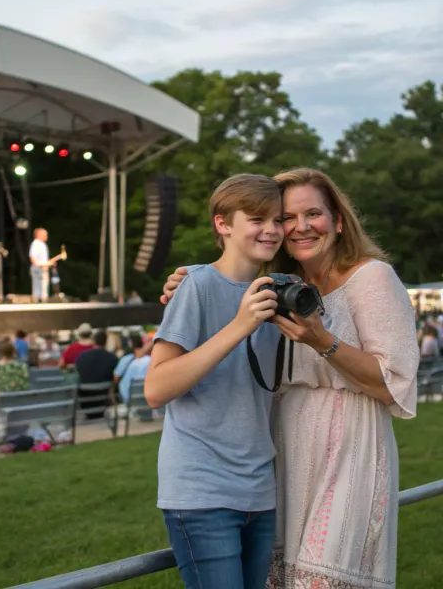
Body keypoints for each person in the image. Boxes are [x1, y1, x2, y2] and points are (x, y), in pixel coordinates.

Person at [161, 167, 419, 588]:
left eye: (313, 213)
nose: (299, 227)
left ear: (338, 220)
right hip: (283, 449)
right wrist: (189, 277)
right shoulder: (280, 284)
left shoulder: (371, 276)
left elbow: (392, 382)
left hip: (349, 444)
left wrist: (323, 340)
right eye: (285, 217)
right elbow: (225, 277)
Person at [145, 174, 284, 589]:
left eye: (278, 219)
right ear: (223, 224)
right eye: (258, 218)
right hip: (202, 489)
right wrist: (240, 325)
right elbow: (156, 388)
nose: (272, 229)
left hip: (260, 487)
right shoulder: (198, 285)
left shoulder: (280, 290)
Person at [28, 228, 66, 302]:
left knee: (43, 290)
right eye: (45, 234)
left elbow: (43, 260)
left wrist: (50, 263)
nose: (46, 236)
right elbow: (32, 256)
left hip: (43, 269)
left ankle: (41, 304)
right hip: (38, 270)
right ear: (39, 234)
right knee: (38, 290)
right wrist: (38, 264)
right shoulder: (36, 243)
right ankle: (37, 305)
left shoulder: (42, 244)